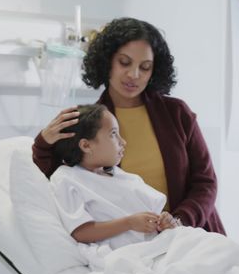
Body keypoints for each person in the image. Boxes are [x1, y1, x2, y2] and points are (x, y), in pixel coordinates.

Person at [33, 17, 236, 274]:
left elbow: (205, 182)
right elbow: (55, 177)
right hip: (141, 261)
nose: (134, 75)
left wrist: (179, 222)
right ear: (106, 63)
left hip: (189, 238)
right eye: (125, 63)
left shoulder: (176, 114)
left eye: (145, 67)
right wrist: (42, 141)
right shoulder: (85, 122)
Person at [49, 103, 181, 248]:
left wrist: (164, 221)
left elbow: (152, 212)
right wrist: (129, 223)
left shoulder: (118, 175)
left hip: (161, 244)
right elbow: (80, 231)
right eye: (113, 134)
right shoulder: (67, 178)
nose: (123, 142)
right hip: (131, 254)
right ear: (86, 146)